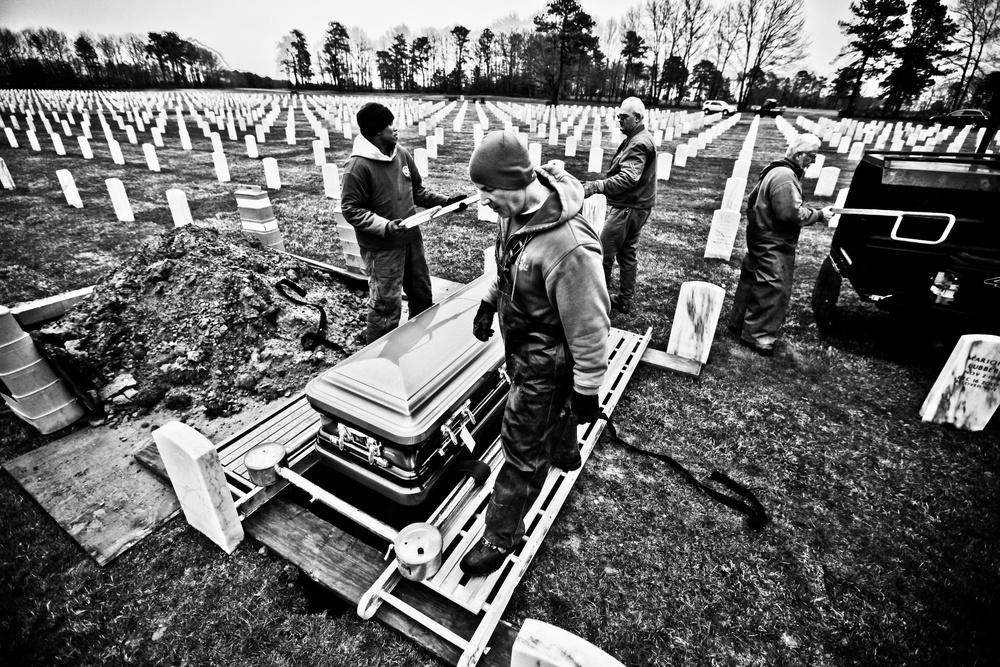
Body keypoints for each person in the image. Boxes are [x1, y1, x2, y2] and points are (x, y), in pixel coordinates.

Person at [461, 130, 610, 576]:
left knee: (522, 447)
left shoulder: (570, 248)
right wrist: (490, 300)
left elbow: (590, 328)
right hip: (525, 347)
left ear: (515, 181)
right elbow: (509, 264)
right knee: (550, 418)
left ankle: (500, 535)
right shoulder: (515, 212)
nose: (482, 199)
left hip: (549, 361)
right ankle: (565, 451)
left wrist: (586, 388)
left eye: (488, 189)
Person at [340, 101, 468, 344]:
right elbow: (351, 209)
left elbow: (418, 191)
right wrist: (386, 226)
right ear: (376, 131)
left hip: (411, 240)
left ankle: (417, 346)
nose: (395, 129)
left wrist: (448, 202)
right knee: (386, 306)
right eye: (389, 125)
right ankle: (380, 357)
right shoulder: (357, 167)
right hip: (383, 249)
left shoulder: (402, 154)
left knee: (422, 295)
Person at [728, 133, 833, 356]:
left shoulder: (777, 170)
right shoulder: (785, 176)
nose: (813, 161)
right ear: (799, 154)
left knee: (752, 278)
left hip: (762, 235)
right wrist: (818, 215)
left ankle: (738, 322)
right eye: (811, 156)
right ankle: (758, 337)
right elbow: (790, 214)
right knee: (773, 287)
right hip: (772, 240)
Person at [581, 96, 658, 314]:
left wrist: (596, 186)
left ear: (638, 117)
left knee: (602, 254)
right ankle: (624, 300)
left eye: (624, 117)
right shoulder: (639, 137)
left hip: (629, 208)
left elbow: (628, 178)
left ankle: (599, 304)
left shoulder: (639, 142)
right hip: (637, 206)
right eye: (618, 116)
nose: (619, 120)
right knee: (627, 254)